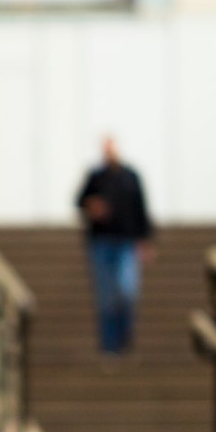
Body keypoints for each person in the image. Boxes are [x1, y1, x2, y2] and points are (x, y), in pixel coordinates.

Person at [75, 137, 154, 357]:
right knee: (106, 296)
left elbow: (141, 208)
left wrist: (145, 240)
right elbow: (79, 201)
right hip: (102, 242)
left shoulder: (130, 177)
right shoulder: (96, 177)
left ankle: (125, 336)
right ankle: (109, 345)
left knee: (127, 291)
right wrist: (92, 205)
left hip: (126, 242)